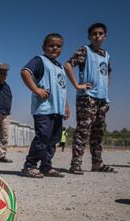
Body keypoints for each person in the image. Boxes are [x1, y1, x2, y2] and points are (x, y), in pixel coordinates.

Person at [65, 23, 117, 174]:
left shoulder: (106, 55)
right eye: (94, 33)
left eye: (100, 33)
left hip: (102, 100)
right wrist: (77, 85)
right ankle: (76, 164)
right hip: (87, 98)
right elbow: (68, 65)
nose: (97, 36)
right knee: (83, 131)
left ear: (105, 36)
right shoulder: (84, 50)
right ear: (89, 36)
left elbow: (108, 73)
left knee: (98, 133)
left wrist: (106, 93)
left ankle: (97, 164)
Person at [20, 33, 70, 178]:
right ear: (44, 47)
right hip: (44, 109)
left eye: (58, 46)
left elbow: (62, 89)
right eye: (51, 45)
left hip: (57, 110)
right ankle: (29, 166)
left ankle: (46, 166)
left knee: (53, 140)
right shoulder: (39, 60)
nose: (55, 48)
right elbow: (25, 72)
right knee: (42, 137)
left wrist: (65, 106)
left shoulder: (60, 67)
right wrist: (36, 89)